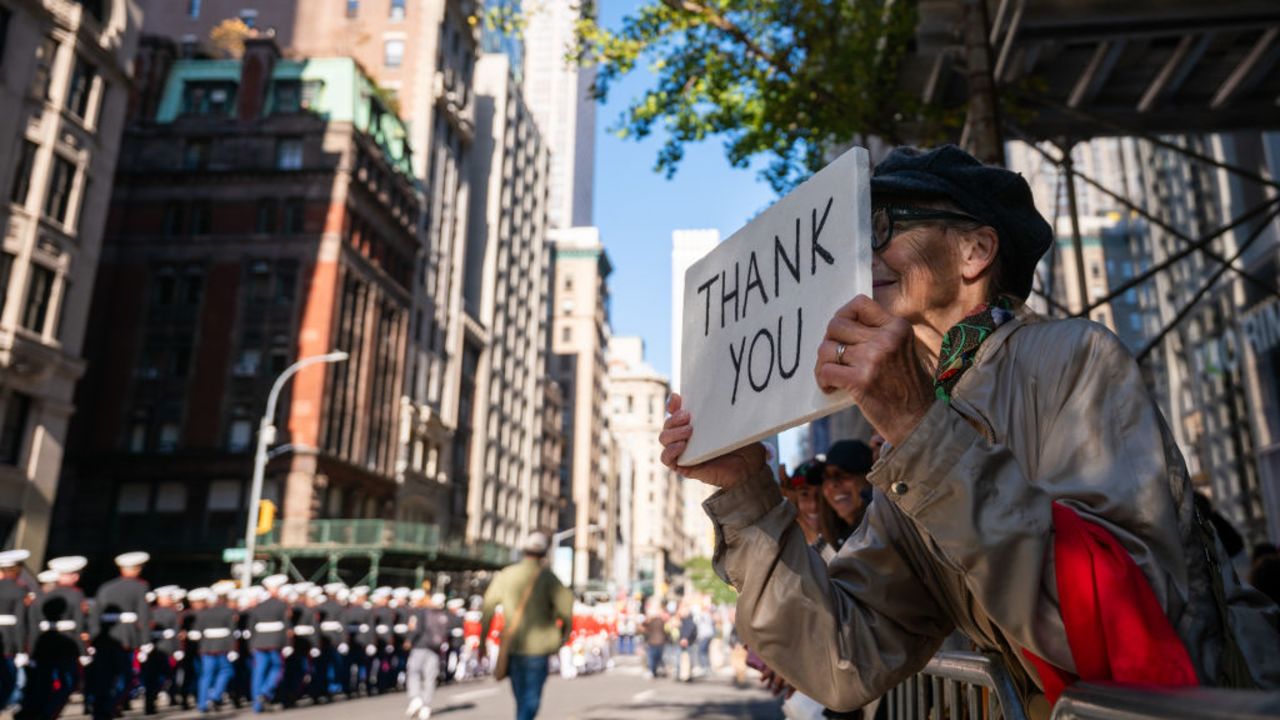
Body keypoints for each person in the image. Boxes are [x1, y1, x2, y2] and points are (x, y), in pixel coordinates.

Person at [659, 144, 1280, 714]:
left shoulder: (1070, 356)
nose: (860, 257)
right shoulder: (918, 428)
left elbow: (1113, 616)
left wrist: (917, 427)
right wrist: (747, 494)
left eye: (882, 227)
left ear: (975, 253)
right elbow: (843, 657)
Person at [481, 532, 572, 720]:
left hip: (513, 647)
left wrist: (483, 641)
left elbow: (488, 607)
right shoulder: (549, 579)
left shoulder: (507, 575)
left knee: (522, 699)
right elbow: (567, 610)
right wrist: (562, 637)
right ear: (544, 554)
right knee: (530, 700)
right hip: (538, 650)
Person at [20, 556, 89, 720]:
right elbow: (79, 626)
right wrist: (84, 651)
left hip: (43, 645)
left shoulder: (41, 596)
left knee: (42, 684)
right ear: (73, 576)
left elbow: (33, 626)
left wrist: (31, 652)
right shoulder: (75, 595)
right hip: (67, 646)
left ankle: (37, 713)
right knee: (68, 683)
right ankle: (48, 714)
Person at [89, 550, 151, 720]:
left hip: (103, 638)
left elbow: (95, 614)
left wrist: (94, 637)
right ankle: (109, 706)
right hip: (126, 637)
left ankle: (99, 709)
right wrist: (145, 642)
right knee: (128, 677)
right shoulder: (140, 586)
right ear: (137, 569)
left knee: (104, 677)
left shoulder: (106, 587)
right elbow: (144, 615)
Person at [818, 440, 875, 552]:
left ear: (868, 478)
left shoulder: (886, 529)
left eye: (843, 474)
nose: (832, 484)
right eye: (826, 477)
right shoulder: (830, 545)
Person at [405, 591, 450, 720]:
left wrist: (409, 640)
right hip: (435, 648)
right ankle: (426, 705)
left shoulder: (423, 612)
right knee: (430, 678)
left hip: (420, 646)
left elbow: (417, 629)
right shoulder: (443, 614)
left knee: (414, 672)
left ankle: (416, 697)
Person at [0, 549, 31, 713]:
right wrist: (21, 650)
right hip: (8, 642)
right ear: (17, 569)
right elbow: (20, 624)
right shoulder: (19, 590)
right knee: (8, 680)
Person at [642, 603, 667, 679]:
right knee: (658, 657)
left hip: (653, 641)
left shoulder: (652, 621)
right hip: (660, 641)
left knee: (652, 657)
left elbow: (644, 626)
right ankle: (659, 669)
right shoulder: (661, 620)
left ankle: (653, 671)